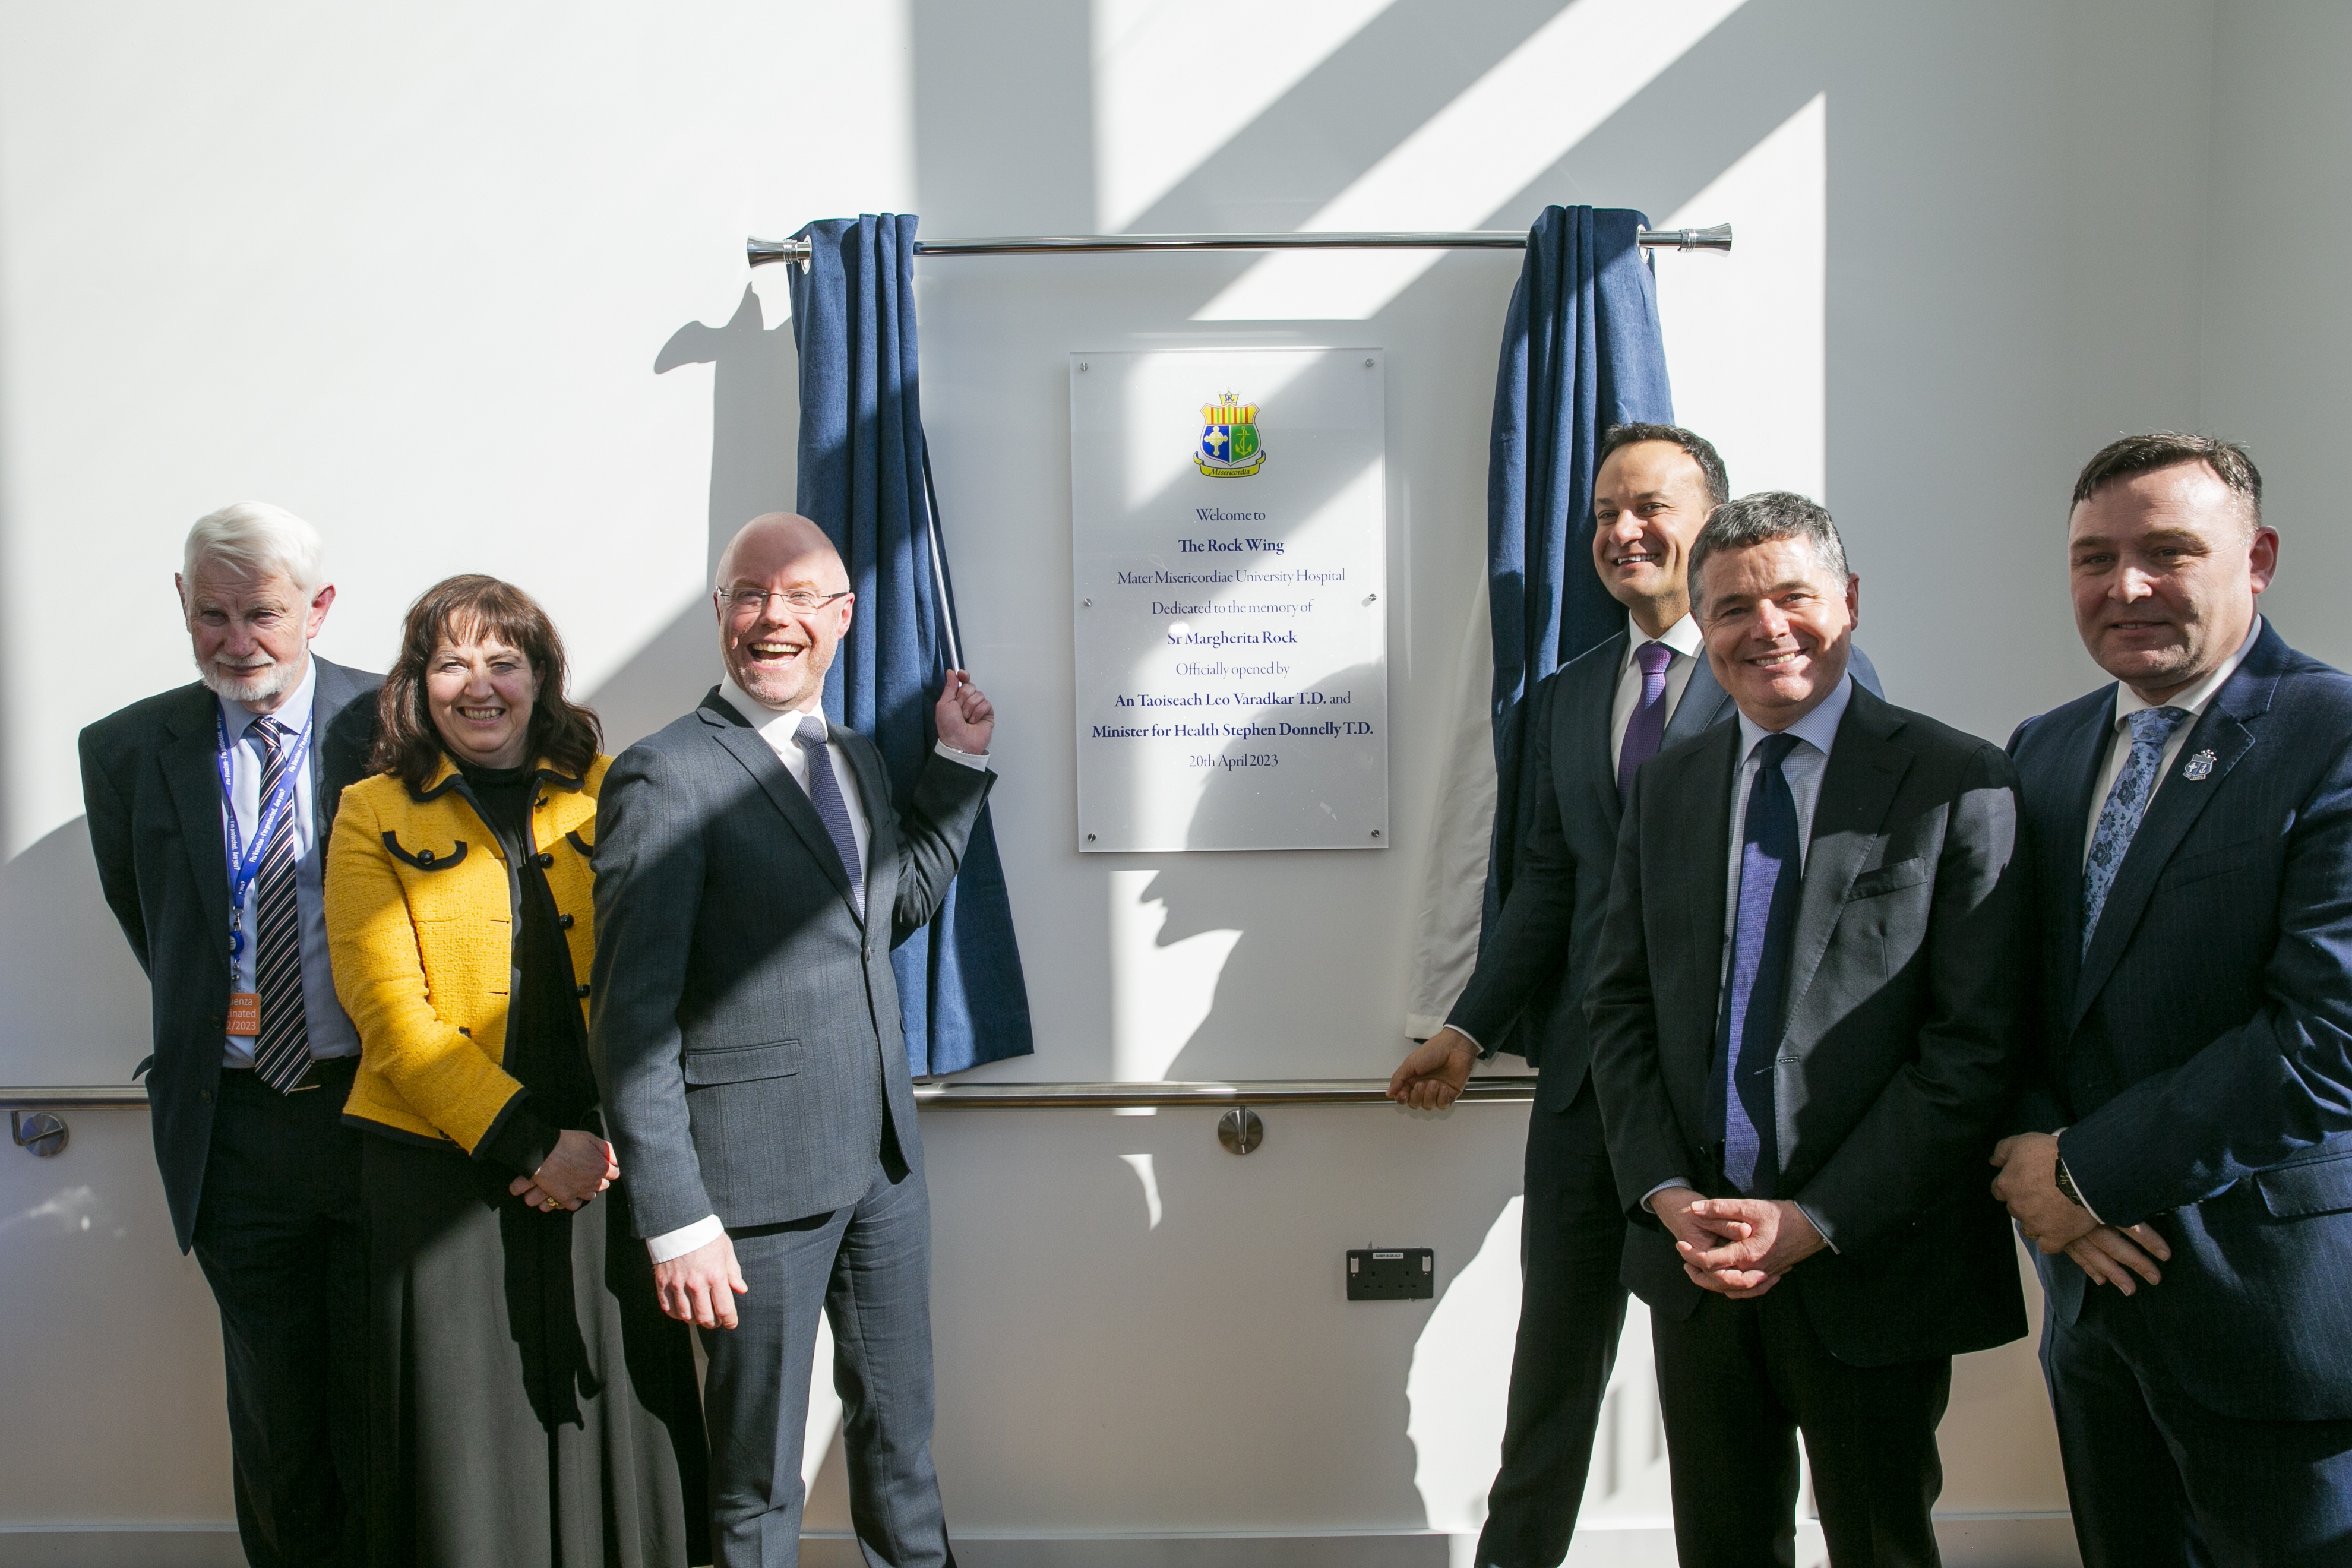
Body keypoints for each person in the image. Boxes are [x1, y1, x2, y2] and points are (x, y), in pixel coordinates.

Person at [1388, 426, 1882, 1567]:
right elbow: (1551, 886)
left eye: (1650, 506)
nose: (1623, 531)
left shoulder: (1792, 670)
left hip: (1732, 1107)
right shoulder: (1565, 699)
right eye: (1605, 512)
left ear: (1711, 519)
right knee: (1550, 1370)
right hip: (1584, 1096)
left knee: (1743, 1409)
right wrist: (1465, 1029)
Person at [1586, 492, 2027, 1568]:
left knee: (1881, 1543)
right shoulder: (1670, 787)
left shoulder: (1959, 779)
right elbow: (1620, 1003)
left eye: (1794, 596)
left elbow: (1972, 1047)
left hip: (1872, 1261)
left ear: (1851, 602)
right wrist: (1664, 1193)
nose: (1766, 627)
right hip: (1699, 1261)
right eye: (1733, 607)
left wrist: (1817, 1219)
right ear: (1703, 627)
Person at [592, 512, 997, 1568]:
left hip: (882, 1170)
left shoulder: (856, 756)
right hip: (749, 1194)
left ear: (843, 618)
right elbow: (629, 1019)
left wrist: (955, 766)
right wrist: (674, 1218)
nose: (775, 619)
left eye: (802, 597)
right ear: (722, 612)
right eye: (750, 596)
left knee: (902, 1449)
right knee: (756, 1486)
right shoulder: (661, 777)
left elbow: (887, 913)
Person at [1993, 435, 2352, 1566]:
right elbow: (2011, 995)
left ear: (2260, 561)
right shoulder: (2043, 751)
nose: (2126, 586)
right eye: (2095, 557)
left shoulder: (2331, 735)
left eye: (2169, 552)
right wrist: (2029, 1158)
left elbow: (2326, 1044)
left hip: (2266, 1315)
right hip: (2094, 1307)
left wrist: (2087, 1177)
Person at [323, 574, 707, 1567]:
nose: (479, 684)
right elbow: (388, 1015)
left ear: (542, 676)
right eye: (452, 661)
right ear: (419, 683)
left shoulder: (615, 788)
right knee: (467, 1451)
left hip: (608, 1163)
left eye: (505, 660)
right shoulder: (368, 812)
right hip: (442, 1172)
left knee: (612, 1418)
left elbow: (668, 966)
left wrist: (599, 1143)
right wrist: (533, 1145)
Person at [79, 502, 380, 1567]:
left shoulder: (396, 723)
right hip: (236, 1130)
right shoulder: (124, 750)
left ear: (319, 609)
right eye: (212, 615)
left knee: (384, 1407)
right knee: (278, 1421)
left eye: (262, 614)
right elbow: (156, 926)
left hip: (378, 1117)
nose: (236, 641)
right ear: (182, 605)